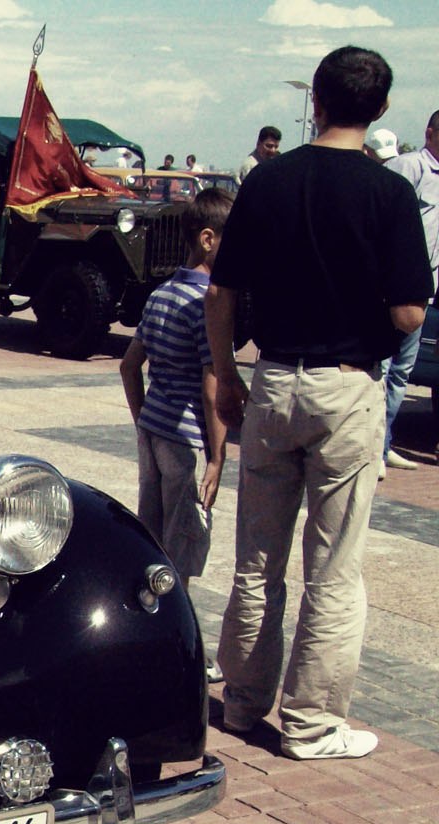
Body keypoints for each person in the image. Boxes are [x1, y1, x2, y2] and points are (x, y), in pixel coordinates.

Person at [206, 46, 432, 760]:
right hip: (347, 385)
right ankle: (311, 722)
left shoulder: (267, 180)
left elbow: (221, 291)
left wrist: (227, 375)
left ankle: (243, 700)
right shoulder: (390, 193)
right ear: (382, 108)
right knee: (332, 568)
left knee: (257, 560)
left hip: (274, 379)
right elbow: (409, 312)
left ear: (317, 101)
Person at [119, 188, 235, 681]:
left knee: (152, 541)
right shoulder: (206, 304)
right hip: (186, 439)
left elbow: (129, 366)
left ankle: (145, 637)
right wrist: (217, 456)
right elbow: (212, 386)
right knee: (182, 547)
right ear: (208, 240)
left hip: (153, 430)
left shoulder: (161, 294)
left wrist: (144, 417)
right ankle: (179, 650)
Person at [380, 111, 439, 472]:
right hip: (393, 289)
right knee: (383, 368)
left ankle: (384, 444)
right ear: (430, 133)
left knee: (401, 373)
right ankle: (373, 447)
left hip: (425, 293)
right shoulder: (410, 166)